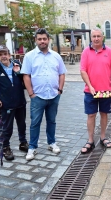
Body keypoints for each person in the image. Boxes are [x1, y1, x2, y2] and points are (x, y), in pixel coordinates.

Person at [21, 28, 67, 161]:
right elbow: (26, 75)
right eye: (39, 39)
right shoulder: (29, 56)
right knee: (35, 122)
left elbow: (62, 73)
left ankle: (51, 143)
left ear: (48, 40)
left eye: (44, 39)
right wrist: (31, 94)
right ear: (36, 40)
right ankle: (32, 147)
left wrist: (60, 90)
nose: (42, 41)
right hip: (38, 97)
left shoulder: (56, 56)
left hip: (53, 95)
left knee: (51, 121)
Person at [80, 27, 111, 153]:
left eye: (98, 36)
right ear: (91, 38)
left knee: (104, 114)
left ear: (102, 37)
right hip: (90, 91)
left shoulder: (108, 52)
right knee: (91, 115)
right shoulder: (86, 52)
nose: (96, 38)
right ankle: (90, 140)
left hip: (106, 91)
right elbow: (83, 70)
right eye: (94, 36)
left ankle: (103, 137)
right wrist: (90, 86)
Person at [0, 44, 29, 161]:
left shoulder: (17, 64)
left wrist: (18, 72)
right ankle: (6, 147)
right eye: (0, 55)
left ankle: (23, 142)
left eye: (5, 54)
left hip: (20, 101)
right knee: (7, 127)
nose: (3, 56)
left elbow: (24, 82)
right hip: (5, 104)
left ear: (9, 55)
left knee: (22, 124)